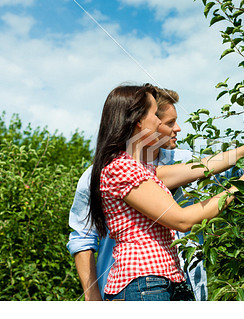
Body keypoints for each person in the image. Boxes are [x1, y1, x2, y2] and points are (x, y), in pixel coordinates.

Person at [88, 83, 244, 301]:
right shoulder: (121, 168)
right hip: (142, 281)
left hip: (165, 280)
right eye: (155, 114)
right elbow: (182, 220)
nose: (158, 121)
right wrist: (241, 185)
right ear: (138, 121)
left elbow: (204, 167)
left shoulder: (142, 168)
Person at [67, 86, 234, 301]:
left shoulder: (181, 160)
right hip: (136, 281)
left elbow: (224, 167)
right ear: (142, 122)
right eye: (168, 122)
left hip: (183, 282)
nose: (178, 129)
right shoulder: (102, 173)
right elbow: (82, 239)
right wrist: (92, 299)